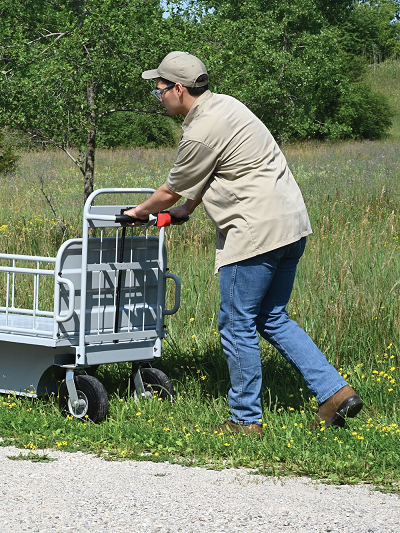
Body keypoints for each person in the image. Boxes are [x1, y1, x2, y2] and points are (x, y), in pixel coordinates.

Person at [123, 51, 363, 434]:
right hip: (290, 225)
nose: (158, 98)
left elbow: (168, 191)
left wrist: (139, 212)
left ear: (179, 89)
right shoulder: (228, 107)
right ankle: (335, 393)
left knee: (236, 324)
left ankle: (245, 419)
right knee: (272, 317)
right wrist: (189, 209)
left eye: (159, 91)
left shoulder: (199, 130)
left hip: (255, 234)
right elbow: (218, 169)